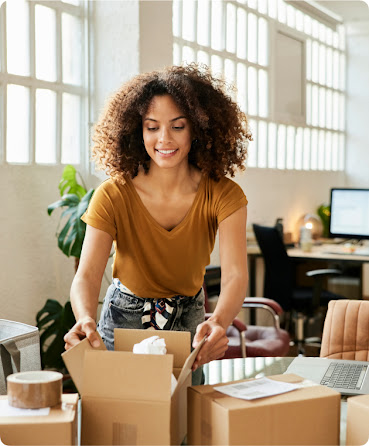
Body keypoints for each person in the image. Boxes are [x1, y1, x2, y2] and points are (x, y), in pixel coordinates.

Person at [64, 63, 251, 385]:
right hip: (123, 317)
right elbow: (89, 274)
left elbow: (235, 274)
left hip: (190, 318)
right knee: (121, 419)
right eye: (152, 127)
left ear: (199, 128)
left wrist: (219, 320)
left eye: (178, 126)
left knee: (184, 423)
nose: (164, 139)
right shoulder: (113, 193)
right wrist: (84, 318)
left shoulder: (223, 193)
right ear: (137, 131)